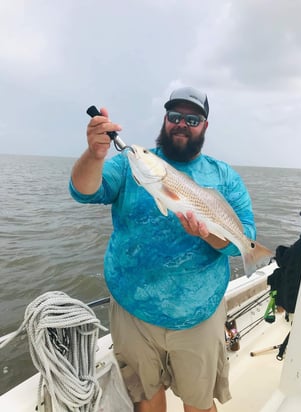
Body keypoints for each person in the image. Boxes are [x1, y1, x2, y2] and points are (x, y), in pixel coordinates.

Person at [69, 86, 256, 412]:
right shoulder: (131, 165)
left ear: (205, 126)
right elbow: (85, 191)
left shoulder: (224, 176)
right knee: (145, 398)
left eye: (192, 118)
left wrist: (209, 235)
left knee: (199, 403)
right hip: (133, 311)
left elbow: (245, 237)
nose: (182, 123)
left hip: (198, 315)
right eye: (174, 116)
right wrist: (95, 155)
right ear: (165, 119)